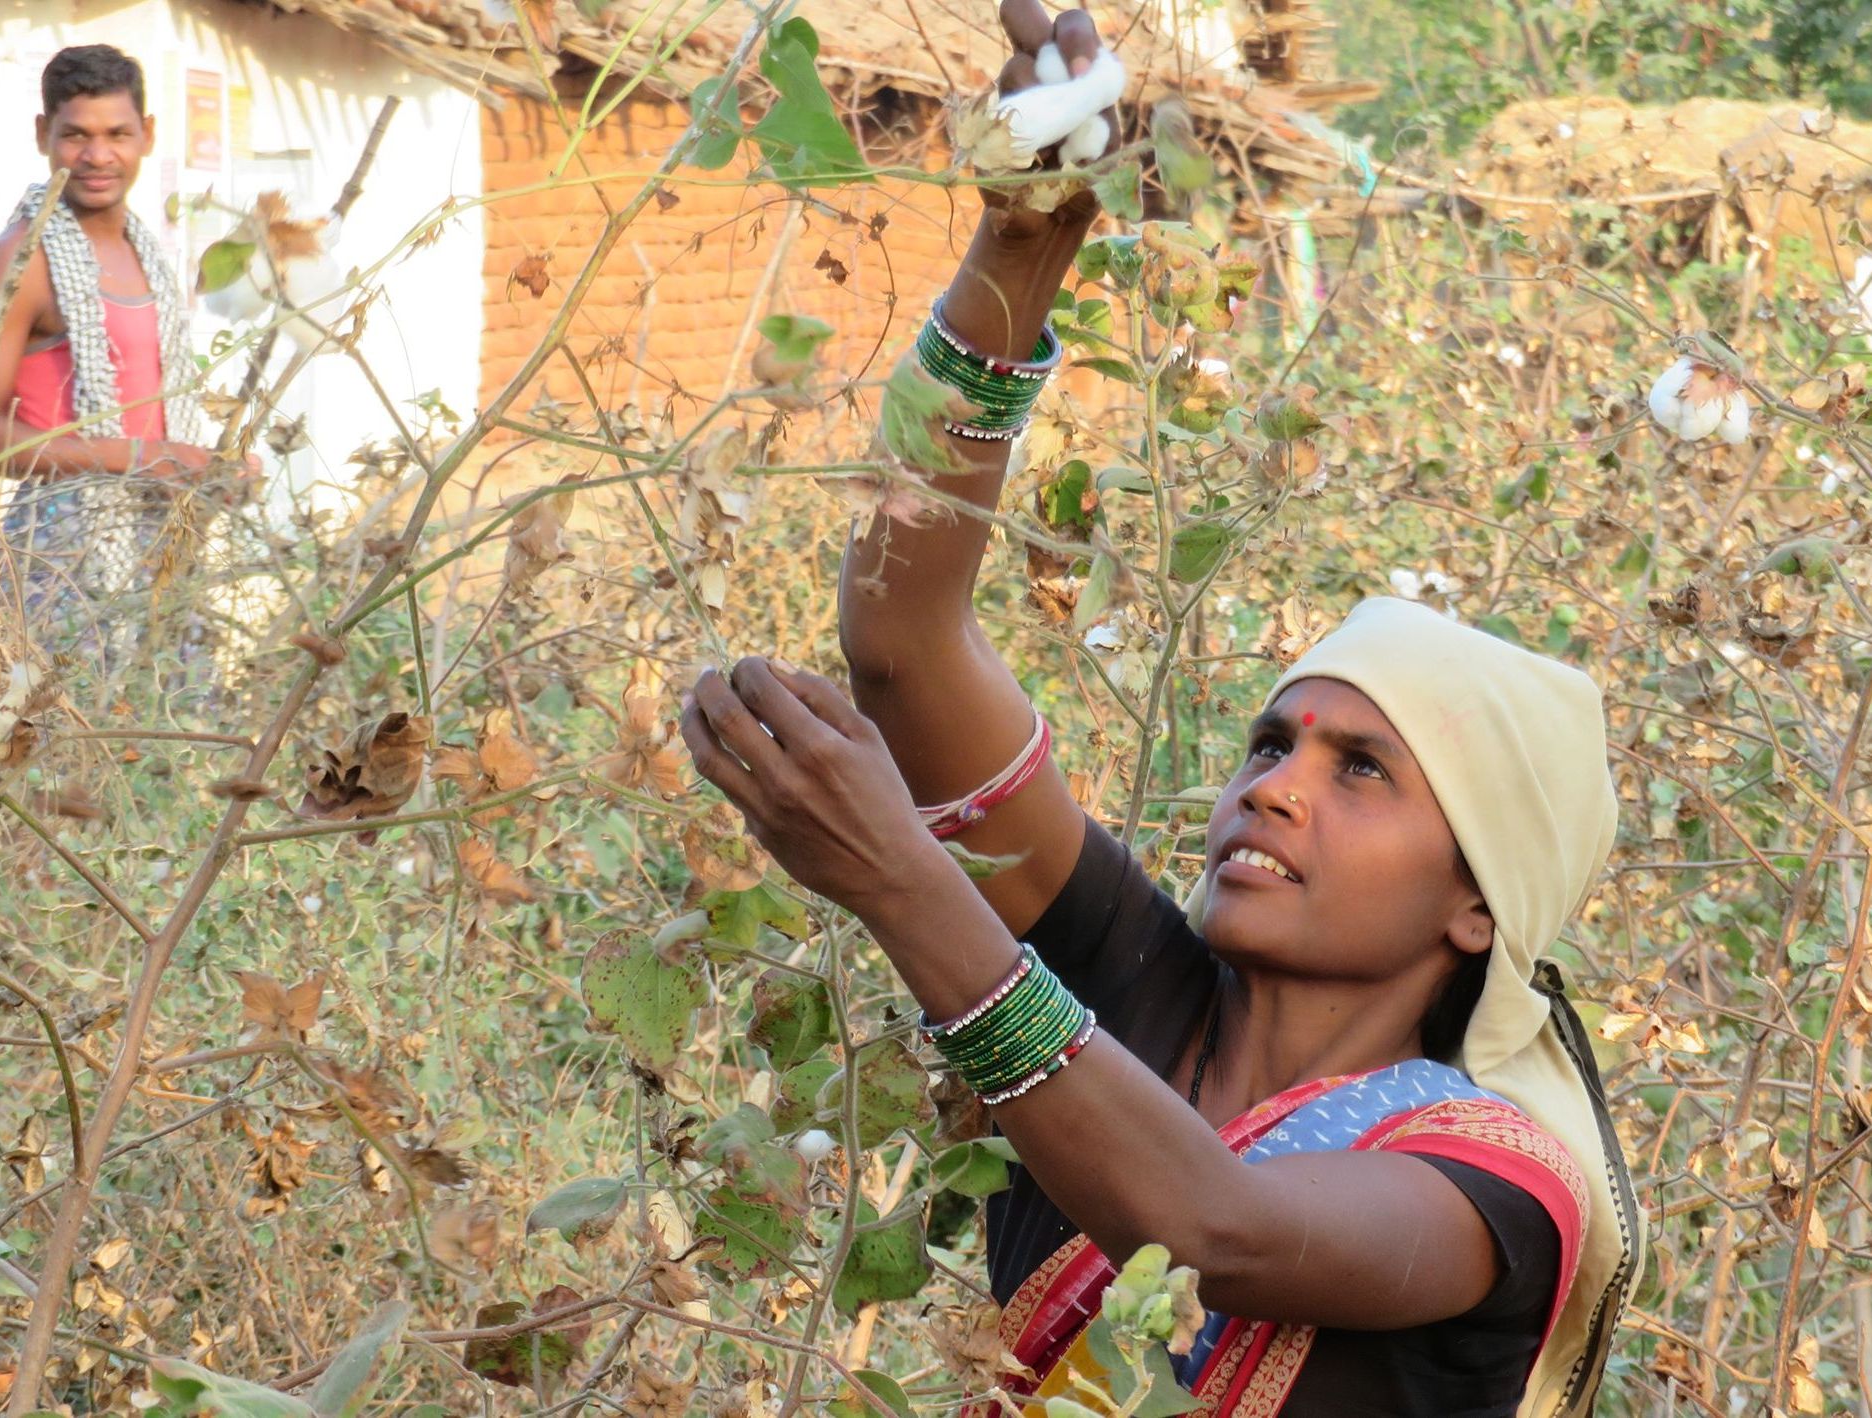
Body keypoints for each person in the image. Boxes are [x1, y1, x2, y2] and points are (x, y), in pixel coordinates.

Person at [678, 4, 1643, 1415]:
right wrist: (1019, 251)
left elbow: (1217, 1231)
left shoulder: (1496, 1180)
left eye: (1362, 768)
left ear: (1477, 903)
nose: (1273, 786)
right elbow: (899, 640)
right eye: (1272, 741)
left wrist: (901, 877)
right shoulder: (1127, 980)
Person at [0, 44, 251, 646]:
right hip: (61, 554)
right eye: (75, 135)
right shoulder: (22, 259)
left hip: (163, 543)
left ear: (147, 135)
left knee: (171, 728)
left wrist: (215, 469)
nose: (98, 157)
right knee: (72, 730)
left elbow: (153, 416)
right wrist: (142, 459)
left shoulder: (146, 252)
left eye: (117, 134)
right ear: (41, 135)